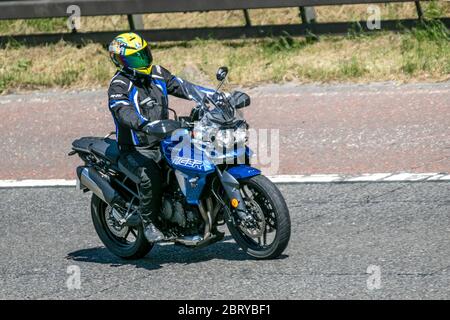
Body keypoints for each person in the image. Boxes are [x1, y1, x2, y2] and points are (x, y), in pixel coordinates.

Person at [107, 32, 220, 242]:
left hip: (166, 139)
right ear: (121, 61)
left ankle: (199, 210)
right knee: (150, 177)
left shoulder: (158, 73)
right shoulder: (119, 84)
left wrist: (215, 96)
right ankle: (148, 222)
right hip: (136, 148)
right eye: (134, 58)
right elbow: (122, 110)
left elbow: (184, 86)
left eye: (143, 54)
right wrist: (143, 124)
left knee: (200, 159)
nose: (141, 60)